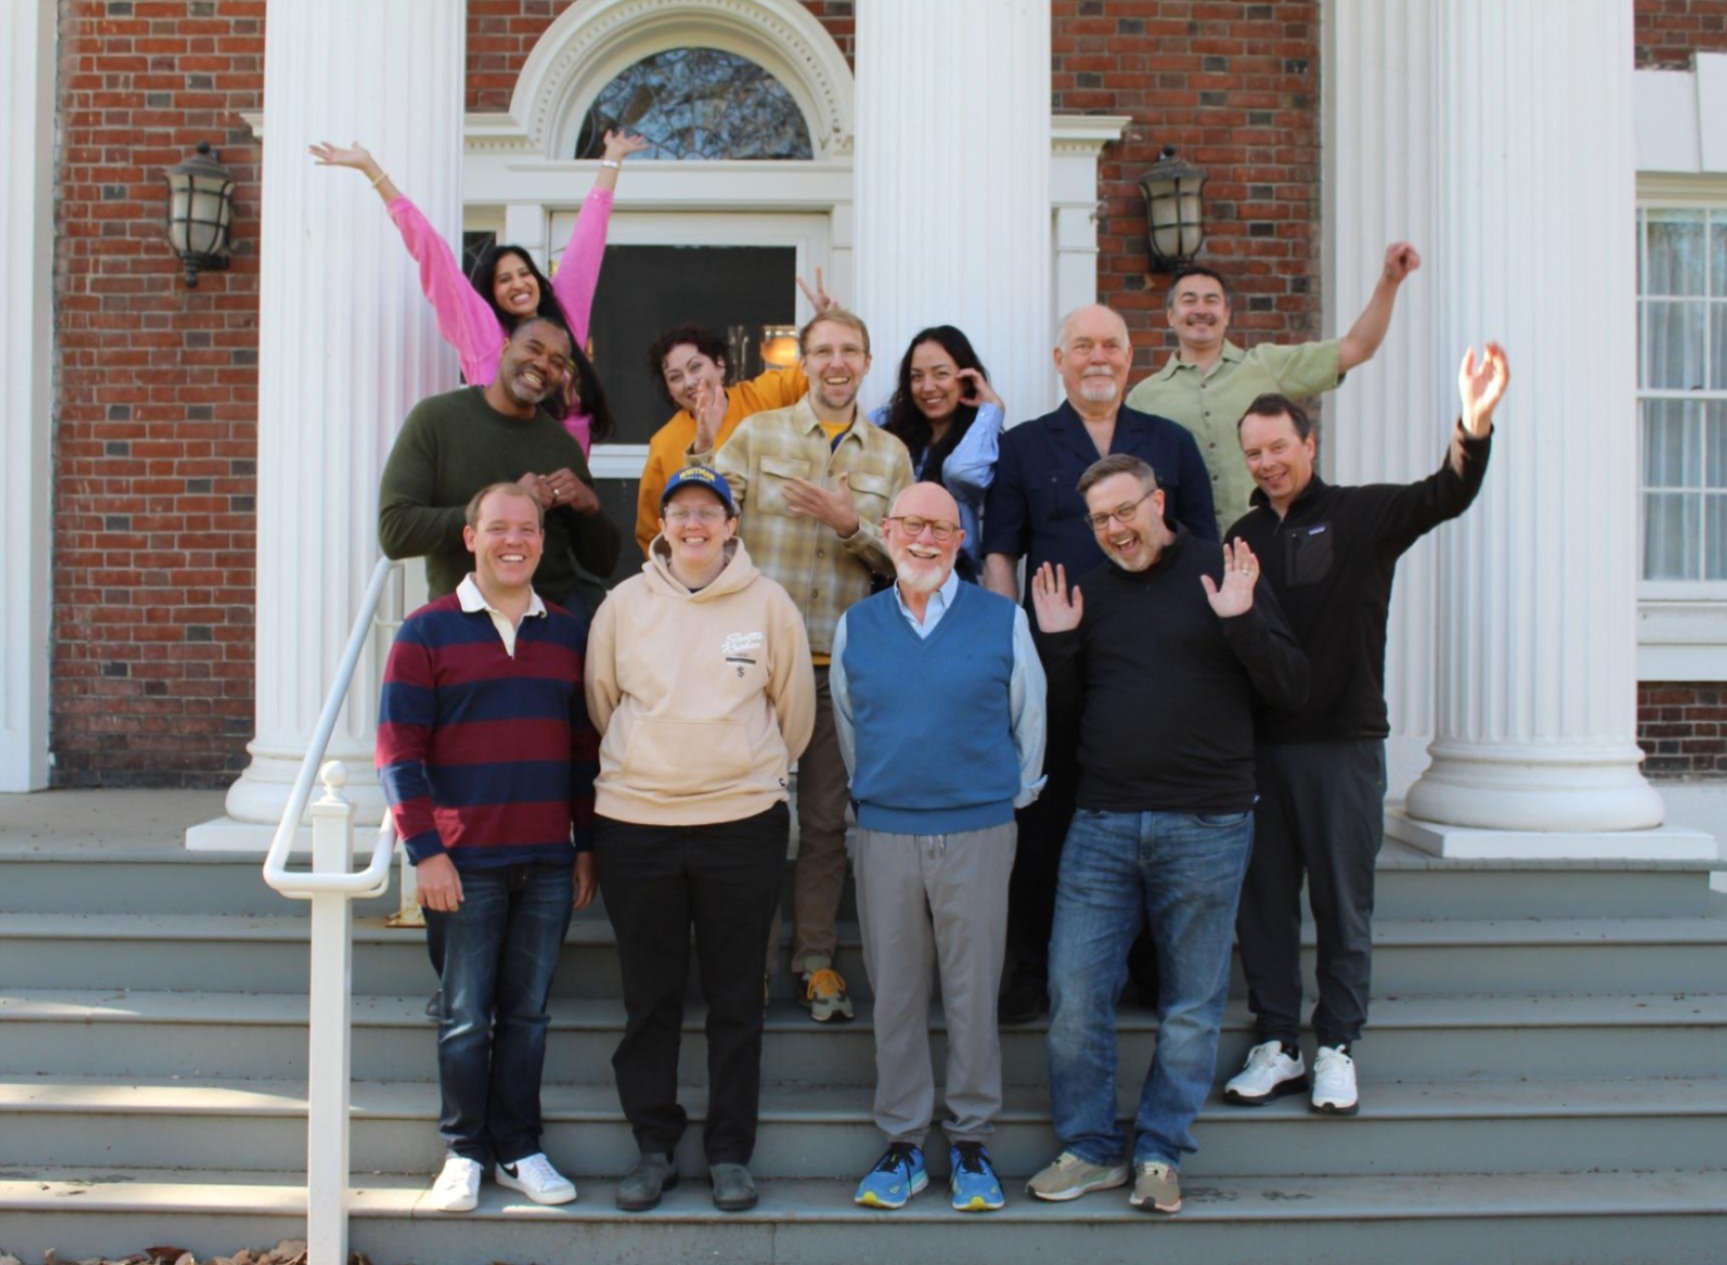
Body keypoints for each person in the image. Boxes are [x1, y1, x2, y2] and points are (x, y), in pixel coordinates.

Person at [1222, 343, 1508, 1117]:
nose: (1268, 460)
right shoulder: (1238, 538)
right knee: (1265, 902)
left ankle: (1337, 1045)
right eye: (1254, 451)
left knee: (1343, 904)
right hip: (1259, 752)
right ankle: (1277, 1040)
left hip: (1342, 745)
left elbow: (1445, 492)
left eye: (1279, 446)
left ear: (1308, 445)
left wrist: (1472, 423)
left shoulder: (1362, 513)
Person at [1023, 454, 1308, 1217]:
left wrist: (1242, 617)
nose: (1114, 530)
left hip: (1208, 823)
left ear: (1159, 501)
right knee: (1075, 990)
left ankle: (1157, 1149)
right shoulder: (1088, 586)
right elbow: (1067, 714)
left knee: (1191, 1001)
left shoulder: (1225, 569)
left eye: (1125, 511)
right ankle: (1087, 1146)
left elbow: (1288, 688)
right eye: (1100, 520)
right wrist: (1057, 643)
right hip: (1103, 820)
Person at [584, 465, 815, 1214]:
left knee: (734, 999)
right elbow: (601, 701)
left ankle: (728, 1153)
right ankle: (652, 1148)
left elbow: (794, 712)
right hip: (636, 823)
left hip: (740, 822)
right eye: (680, 510)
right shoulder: (622, 604)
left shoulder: (769, 602)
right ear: (663, 520)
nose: (693, 524)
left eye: (707, 512)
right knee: (648, 999)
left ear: (729, 524)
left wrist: (748, 773)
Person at [981, 303, 1216, 1024]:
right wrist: (1007, 648)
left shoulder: (1169, 443)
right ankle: (1024, 973)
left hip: (1151, 657)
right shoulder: (1024, 446)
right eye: (1081, 344)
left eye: (1110, 344)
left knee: (1145, 806)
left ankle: (1146, 971)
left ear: (1128, 356)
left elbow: (1200, 544)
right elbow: (999, 553)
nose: (1097, 356)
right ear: (1059, 359)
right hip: (1054, 657)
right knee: (1044, 813)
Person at [376, 481, 600, 1214]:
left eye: (527, 528)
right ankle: (464, 1150)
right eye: (498, 527)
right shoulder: (425, 631)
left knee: (528, 1012)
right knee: (467, 1012)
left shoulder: (566, 632)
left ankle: (519, 1147)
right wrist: (424, 852)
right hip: (461, 861)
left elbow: (580, 751)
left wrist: (584, 845)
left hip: (544, 858)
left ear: (541, 539)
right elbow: (396, 753)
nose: (514, 540)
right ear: (469, 537)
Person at [690, 307, 916, 1023]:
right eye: (823, 351)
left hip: (840, 663)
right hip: (753, 662)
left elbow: (909, 561)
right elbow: (706, 519)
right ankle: (747, 965)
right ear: (805, 362)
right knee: (750, 819)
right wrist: (702, 450)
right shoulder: (758, 434)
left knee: (823, 821)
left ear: (867, 360)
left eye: (850, 349)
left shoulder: (890, 455)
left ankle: (814, 961)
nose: (836, 362)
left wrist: (851, 524)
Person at [831, 482, 1045, 1214]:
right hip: (887, 830)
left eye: (940, 528)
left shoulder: (1000, 618)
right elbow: (849, 725)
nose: (923, 539)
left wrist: (999, 798)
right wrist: (881, 793)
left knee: (971, 989)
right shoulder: (857, 624)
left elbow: (1030, 716)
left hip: (979, 829)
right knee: (894, 992)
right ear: (887, 531)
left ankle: (972, 1141)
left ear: (959, 540)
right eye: (909, 524)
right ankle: (901, 1143)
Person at [311, 130, 648, 455]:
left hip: (569, 498)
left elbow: (586, 245)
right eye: (503, 280)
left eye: (523, 273)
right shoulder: (485, 336)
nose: (517, 284)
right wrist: (372, 170)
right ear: (491, 293)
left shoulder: (563, 324)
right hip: (508, 496)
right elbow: (433, 253)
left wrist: (612, 161)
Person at [1125, 244, 1421, 537]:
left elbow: (1357, 348)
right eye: (1189, 300)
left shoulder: (1266, 365)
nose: (1201, 309)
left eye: (1211, 300)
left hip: (1265, 546)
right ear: (1170, 315)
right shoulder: (1144, 398)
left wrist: (1389, 281)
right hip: (1184, 556)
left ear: (1227, 313)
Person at [378, 317, 621, 617]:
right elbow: (395, 532)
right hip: (462, 626)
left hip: (549, 629)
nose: (543, 364)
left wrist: (590, 508)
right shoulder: (436, 420)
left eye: (557, 362)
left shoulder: (562, 445)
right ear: (505, 348)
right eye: (533, 348)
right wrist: (500, 507)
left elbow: (603, 562)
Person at [867, 326, 1008, 582]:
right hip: (890, 572)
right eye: (916, 377)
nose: (927, 387)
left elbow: (962, 472)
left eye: (941, 374)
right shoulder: (887, 424)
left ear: (967, 378)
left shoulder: (982, 440)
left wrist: (992, 409)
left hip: (952, 576)